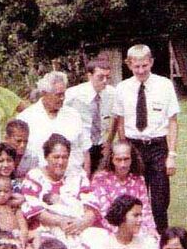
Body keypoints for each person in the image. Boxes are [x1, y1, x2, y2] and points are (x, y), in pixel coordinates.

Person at [21, 134, 99, 249]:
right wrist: (61, 221)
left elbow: (91, 204)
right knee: (59, 247)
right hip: (47, 226)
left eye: (64, 157)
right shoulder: (34, 176)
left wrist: (83, 222)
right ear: (46, 157)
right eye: (56, 157)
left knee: (99, 240)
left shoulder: (77, 174)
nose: (60, 161)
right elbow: (35, 210)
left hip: (78, 224)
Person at [113, 44, 179, 234]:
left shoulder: (164, 85)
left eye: (144, 65)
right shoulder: (123, 88)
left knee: (159, 201)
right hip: (134, 147)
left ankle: (162, 239)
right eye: (136, 67)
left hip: (158, 146)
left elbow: (173, 121)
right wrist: (124, 151)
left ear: (151, 62)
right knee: (133, 198)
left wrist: (172, 155)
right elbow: (120, 122)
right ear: (129, 65)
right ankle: (133, 237)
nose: (141, 70)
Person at [17, 71, 91, 175]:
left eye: (63, 94)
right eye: (58, 95)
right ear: (44, 94)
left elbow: (85, 150)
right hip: (39, 180)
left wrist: (86, 178)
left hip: (72, 177)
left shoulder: (73, 115)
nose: (62, 98)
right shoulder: (26, 118)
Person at [91, 140, 156, 237]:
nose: (123, 164)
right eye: (118, 160)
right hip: (109, 231)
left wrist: (151, 229)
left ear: (132, 159)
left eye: (126, 159)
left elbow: (145, 209)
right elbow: (104, 213)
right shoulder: (100, 179)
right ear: (111, 159)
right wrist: (124, 233)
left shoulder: (138, 179)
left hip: (136, 229)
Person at [64, 58, 115, 175]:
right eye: (100, 77)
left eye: (108, 77)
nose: (105, 81)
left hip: (100, 145)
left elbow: (118, 116)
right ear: (89, 76)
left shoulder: (112, 93)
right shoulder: (74, 94)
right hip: (80, 146)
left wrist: (109, 141)